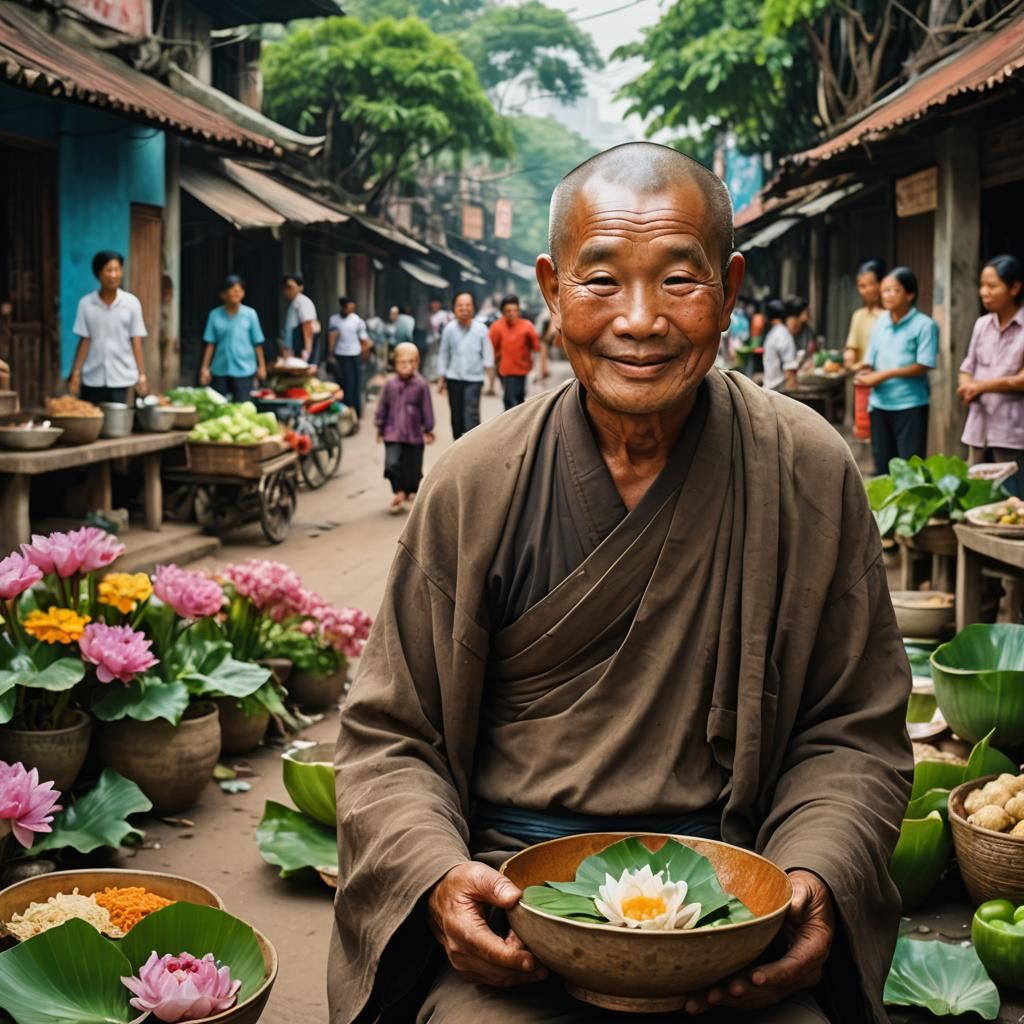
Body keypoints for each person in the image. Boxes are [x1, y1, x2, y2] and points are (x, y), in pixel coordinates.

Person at [330, 143, 912, 1024]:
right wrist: (440, 876)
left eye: (680, 280)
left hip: (736, 911)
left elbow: (853, 732)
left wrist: (813, 871)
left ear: (731, 287)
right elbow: (389, 737)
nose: (640, 320)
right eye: (601, 281)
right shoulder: (477, 481)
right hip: (518, 915)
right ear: (551, 289)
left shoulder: (806, 470)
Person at [857, 267, 938, 475]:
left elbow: (923, 365)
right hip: (880, 404)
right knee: (882, 468)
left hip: (910, 405)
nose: (888, 295)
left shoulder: (925, 325)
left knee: (910, 470)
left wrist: (883, 375)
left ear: (910, 294)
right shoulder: (881, 322)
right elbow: (871, 359)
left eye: (895, 290)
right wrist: (864, 372)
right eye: (885, 290)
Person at [958, 254, 1024, 495]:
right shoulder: (981, 324)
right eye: (982, 285)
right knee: (976, 497)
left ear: (1015, 287)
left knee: (1012, 501)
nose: (984, 292)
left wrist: (982, 386)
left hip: (1011, 432)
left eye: (992, 286)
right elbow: (967, 367)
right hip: (978, 427)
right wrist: (966, 386)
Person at [69, 250, 148, 404]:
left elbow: (136, 339)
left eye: (117, 269)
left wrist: (142, 374)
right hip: (92, 376)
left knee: (117, 422)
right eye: (108, 270)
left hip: (122, 376)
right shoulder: (86, 304)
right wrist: (76, 372)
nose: (113, 275)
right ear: (99, 274)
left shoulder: (131, 304)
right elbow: (85, 340)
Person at [375, 342, 435, 514]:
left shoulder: (421, 385)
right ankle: (399, 491)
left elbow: (427, 408)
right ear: (395, 365)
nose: (406, 366)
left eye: (410, 362)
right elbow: (383, 407)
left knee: (413, 467)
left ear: (416, 363)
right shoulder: (390, 385)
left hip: (414, 434)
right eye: (402, 363)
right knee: (392, 464)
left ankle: (411, 491)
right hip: (392, 433)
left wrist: (428, 429)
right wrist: (380, 427)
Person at [198, 275, 266, 402]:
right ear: (223, 294)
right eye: (232, 290)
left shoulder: (250, 314)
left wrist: (262, 366)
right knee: (219, 405)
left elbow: (257, 342)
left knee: (243, 406)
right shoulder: (214, 315)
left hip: (244, 369)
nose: (236, 293)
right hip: (220, 368)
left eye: (239, 290)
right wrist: (204, 368)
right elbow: (210, 343)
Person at [437, 292, 494, 439]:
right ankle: (457, 447)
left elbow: (488, 356)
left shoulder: (481, 329)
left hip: (474, 379)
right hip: (453, 378)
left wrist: (490, 381)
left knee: (471, 416)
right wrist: (441, 378)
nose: (464, 309)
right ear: (454, 308)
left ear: (473, 308)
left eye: (468, 305)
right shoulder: (449, 329)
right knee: (456, 416)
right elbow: (444, 353)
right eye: (460, 305)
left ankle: (472, 449)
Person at [489, 295, 546, 410]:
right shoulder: (496, 327)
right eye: (508, 311)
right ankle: (511, 426)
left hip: (523, 370)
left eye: (515, 310)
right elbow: (491, 349)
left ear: (518, 311)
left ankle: (518, 425)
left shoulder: (527, 326)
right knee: (510, 402)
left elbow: (536, 347)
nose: (512, 313)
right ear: (503, 312)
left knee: (519, 401)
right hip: (505, 371)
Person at [328, 297, 370, 422]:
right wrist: (330, 354)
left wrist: (364, 353)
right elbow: (332, 337)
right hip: (342, 355)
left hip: (355, 354)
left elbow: (364, 339)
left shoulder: (357, 320)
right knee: (346, 384)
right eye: (349, 307)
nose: (351, 310)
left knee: (356, 383)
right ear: (343, 307)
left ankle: (356, 412)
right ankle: (346, 413)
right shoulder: (334, 320)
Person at [843, 260, 885, 369]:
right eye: (862, 286)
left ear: (881, 284)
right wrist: (849, 356)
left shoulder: (892, 316)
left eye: (871, 284)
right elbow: (852, 347)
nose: (867, 290)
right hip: (863, 379)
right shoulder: (858, 316)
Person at [761, 297, 801, 392]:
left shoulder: (777, 333)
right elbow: (790, 368)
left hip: (774, 390)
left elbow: (789, 368)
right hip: (776, 390)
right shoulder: (782, 333)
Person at [281, 273, 319, 362]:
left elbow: (307, 325)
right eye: (285, 287)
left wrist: (307, 350)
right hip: (293, 350)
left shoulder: (302, 302)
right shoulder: (293, 303)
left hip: (301, 351)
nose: (287, 290)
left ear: (300, 287)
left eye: (290, 287)